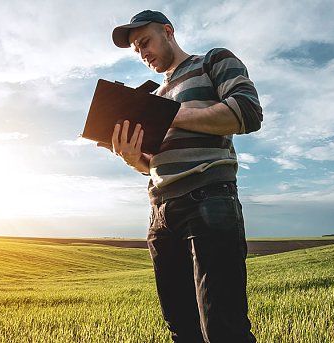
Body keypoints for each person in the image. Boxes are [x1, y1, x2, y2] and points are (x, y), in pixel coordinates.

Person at [108, 10, 262, 343]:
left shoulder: (213, 61)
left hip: (208, 199)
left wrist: (171, 114)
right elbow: (152, 163)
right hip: (160, 215)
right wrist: (134, 158)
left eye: (145, 41)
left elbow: (247, 112)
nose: (142, 53)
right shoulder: (153, 98)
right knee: (182, 331)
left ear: (168, 31)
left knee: (223, 330)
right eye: (136, 49)